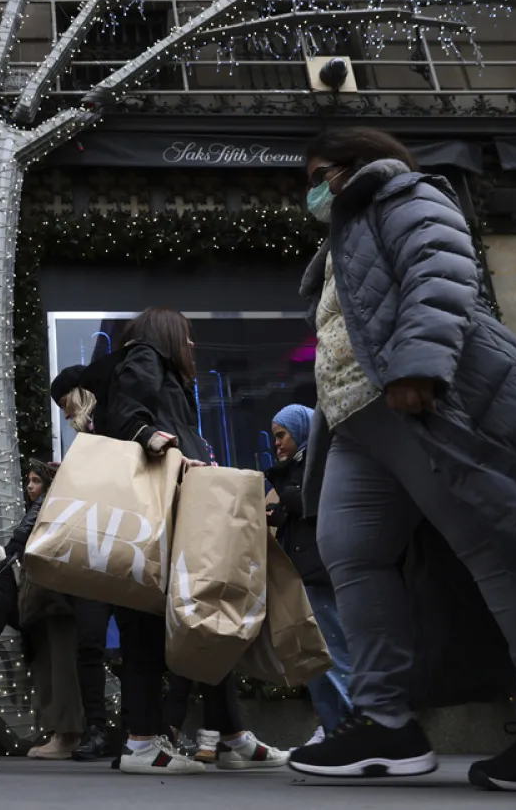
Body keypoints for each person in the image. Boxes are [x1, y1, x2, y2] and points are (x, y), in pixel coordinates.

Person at [288, 127, 516, 792]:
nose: (313, 188)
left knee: (490, 550)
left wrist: (420, 364)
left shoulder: (404, 194)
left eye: (320, 172)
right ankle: (384, 721)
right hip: (353, 420)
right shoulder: (342, 234)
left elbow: (442, 264)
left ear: (357, 166)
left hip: (412, 403)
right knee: (348, 549)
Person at [93, 307, 288, 775]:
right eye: (188, 336)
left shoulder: (162, 372)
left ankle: (229, 736)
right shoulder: (145, 357)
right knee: (158, 619)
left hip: (176, 506)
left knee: (204, 613)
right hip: (164, 510)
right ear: (167, 336)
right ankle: (143, 742)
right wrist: (158, 442)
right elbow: (125, 415)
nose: (193, 346)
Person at [266, 403, 352, 743]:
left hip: (319, 574)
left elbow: (308, 502)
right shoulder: (299, 467)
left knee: (333, 654)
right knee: (317, 660)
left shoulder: (316, 462)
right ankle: (334, 729)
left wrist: (279, 486)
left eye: (281, 435)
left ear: (300, 430)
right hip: (305, 574)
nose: (277, 444)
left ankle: (353, 727)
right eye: (274, 437)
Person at [49, 367, 117, 762]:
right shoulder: (83, 437)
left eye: (64, 402)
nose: (64, 412)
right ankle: (97, 727)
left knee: (131, 640)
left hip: (121, 544)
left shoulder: (111, 423)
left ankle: (141, 725)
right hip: (93, 551)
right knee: (89, 642)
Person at [5, 460, 84, 760]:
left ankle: (66, 734)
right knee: (48, 664)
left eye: (36, 481)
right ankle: (59, 731)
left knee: (59, 663)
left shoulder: (51, 509)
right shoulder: (42, 511)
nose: (30, 487)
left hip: (53, 597)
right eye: (29, 481)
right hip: (42, 598)